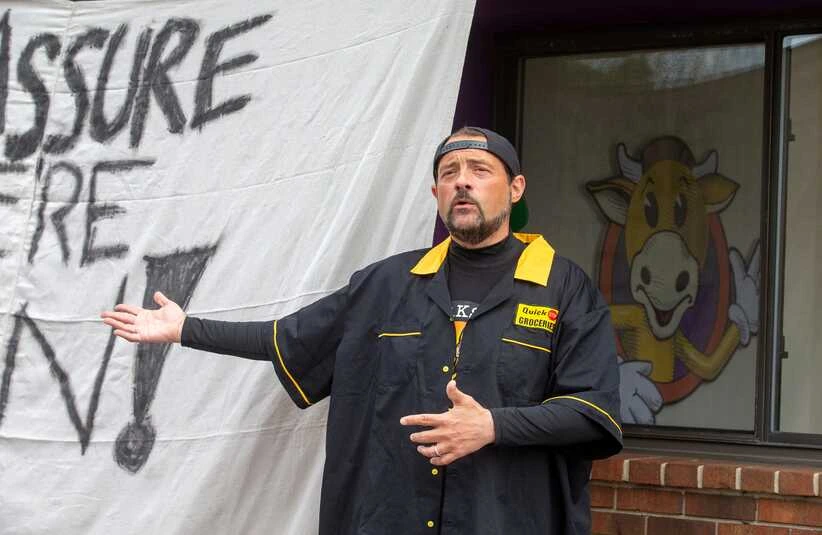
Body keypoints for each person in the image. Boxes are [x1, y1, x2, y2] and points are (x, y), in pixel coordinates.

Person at [102, 127, 622, 534]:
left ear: (514, 188)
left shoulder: (563, 288)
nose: (462, 180)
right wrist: (184, 328)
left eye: (480, 169)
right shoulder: (385, 285)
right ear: (436, 191)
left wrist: (493, 427)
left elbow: (593, 414)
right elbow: (287, 339)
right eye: (450, 171)